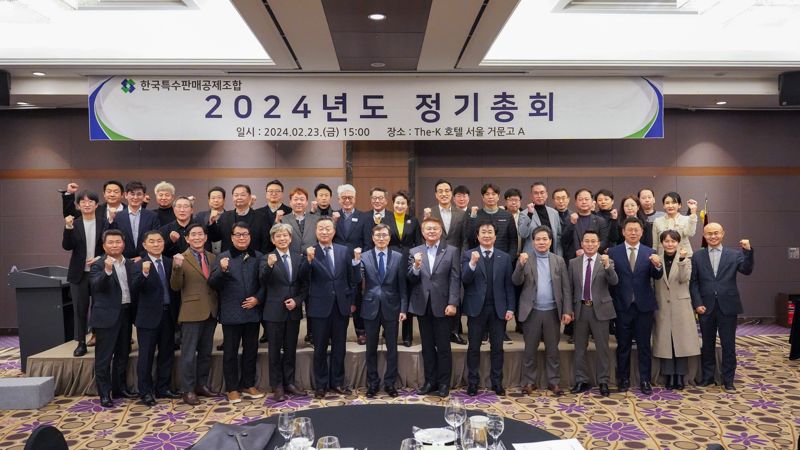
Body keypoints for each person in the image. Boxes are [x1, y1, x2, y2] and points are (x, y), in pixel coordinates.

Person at [303, 217, 362, 398]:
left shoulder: (344, 250)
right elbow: (304, 279)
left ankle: (337, 382)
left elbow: (353, 279)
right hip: (319, 307)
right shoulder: (310, 252)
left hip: (340, 306)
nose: (324, 231)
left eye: (328, 228)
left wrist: (351, 300)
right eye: (321, 228)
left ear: (334, 231)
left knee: (339, 347)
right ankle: (321, 385)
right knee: (320, 348)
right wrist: (308, 261)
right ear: (316, 231)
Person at [691, 222, 754, 392]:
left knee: (728, 344)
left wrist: (748, 251)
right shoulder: (697, 256)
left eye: (716, 233)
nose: (713, 236)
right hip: (705, 307)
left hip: (728, 306)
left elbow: (747, 270)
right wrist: (697, 303)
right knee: (707, 344)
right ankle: (707, 377)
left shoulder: (734, 254)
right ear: (704, 235)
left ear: (723, 234)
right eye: (709, 233)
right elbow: (694, 282)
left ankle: (728, 380)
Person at [208, 222, 266, 404]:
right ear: (232, 237)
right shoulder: (222, 257)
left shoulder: (258, 256)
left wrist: (257, 299)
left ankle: (248, 384)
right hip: (231, 313)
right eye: (238, 234)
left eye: (245, 234)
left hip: (252, 312)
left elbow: (265, 282)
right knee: (230, 352)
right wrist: (222, 270)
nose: (242, 238)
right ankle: (232, 388)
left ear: (250, 236)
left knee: (251, 350)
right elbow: (213, 283)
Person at [513, 226, 572, 396]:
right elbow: (516, 281)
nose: (541, 242)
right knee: (530, 349)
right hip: (532, 311)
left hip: (552, 311)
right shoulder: (525, 258)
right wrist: (520, 265)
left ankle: (554, 382)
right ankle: (529, 382)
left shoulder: (558, 261)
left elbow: (566, 288)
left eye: (545, 239)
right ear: (533, 242)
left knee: (553, 350)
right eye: (538, 239)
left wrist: (567, 310)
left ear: (550, 241)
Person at [608, 217, 663, 395]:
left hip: (643, 307)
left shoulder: (650, 252)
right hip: (622, 306)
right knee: (623, 345)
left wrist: (658, 265)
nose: (633, 233)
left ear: (642, 232)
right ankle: (623, 379)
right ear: (623, 232)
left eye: (636, 230)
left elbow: (657, 275)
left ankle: (645, 380)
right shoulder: (613, 252)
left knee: (644, 345)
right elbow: (610, 279)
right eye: (629, 230)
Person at [407, 217, 461, 397]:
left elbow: (455, 279)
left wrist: (453, 302)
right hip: (423, 305)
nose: (431, 231)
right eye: (428, 229)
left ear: (440, 231)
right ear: (423, 232)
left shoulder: (451, 251)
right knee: (427, 346)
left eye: (435, 229)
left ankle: (444, 383)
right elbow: (411, 279)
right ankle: (430, 382)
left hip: (444, 305)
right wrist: (416, 266)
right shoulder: (415, 251)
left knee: (443, 347)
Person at [462, 220, 515, 396]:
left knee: (497, 348)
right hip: (476, 309)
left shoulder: (504, 257)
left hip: (498, 309)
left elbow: (508, 285)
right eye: (483, 232)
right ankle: (473, 383)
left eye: (490, 232)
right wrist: (472, 264)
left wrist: (510, 308)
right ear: (477, 236)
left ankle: (497, 382)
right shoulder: (468, 255)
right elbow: (465, 280)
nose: (486, 235)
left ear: (495, 236)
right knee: (473, 347)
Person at [170, 223, 219, 405]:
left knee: (205, 353)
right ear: (187, 238)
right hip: (191, 312)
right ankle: (188, 390)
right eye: (193, 234)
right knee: (189, 354)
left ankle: (201, 385)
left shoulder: (213, 257)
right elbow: (175, 286)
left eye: (200, 234)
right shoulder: (181, 258)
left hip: (211, 311)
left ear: (205, 237)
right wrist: (176, 268)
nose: (197, 237)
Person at [131, 230, 180, 406]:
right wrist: (144, 274)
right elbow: (134, 288)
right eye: (151, 241)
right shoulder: (138, 264)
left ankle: (163, 388)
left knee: (167, 353)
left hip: (168, 314)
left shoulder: (169, 262)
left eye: (159, 241)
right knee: (146, 356)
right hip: (147, 317)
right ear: (144, 245)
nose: (156, 244)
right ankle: (145, 392)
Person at [260, 223, 307, 401]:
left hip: (293, 311)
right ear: (273, 240)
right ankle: (277, 386)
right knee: (274, 351)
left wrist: (297, 301)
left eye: (285, 235)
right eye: (278, 236)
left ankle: (290, 383)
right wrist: (269, 266)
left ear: (290, 238)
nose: (282, 238)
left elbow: (304, 285)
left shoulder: (298, 257)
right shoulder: (266, 258)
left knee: (290, 349)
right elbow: (262, 280)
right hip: (273, 312)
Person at [89, 229, 136, 407]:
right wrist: (107, 271)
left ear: (123, 244)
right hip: (106, 316)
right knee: (104, 357)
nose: (115, 245)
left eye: (118, 242)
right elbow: (96, 286)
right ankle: (104, 393)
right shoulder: (98, 264)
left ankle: (119, 388)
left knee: (123, 354)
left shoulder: (129, 263)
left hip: (126, 313)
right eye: (111, 242)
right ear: (104, 246)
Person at [568, 230, 618, 397]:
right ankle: (581, 380)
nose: (590, 244)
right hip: (581, 309)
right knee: (579, 348)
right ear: (582, 243)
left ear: (598, 244)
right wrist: (569, 309)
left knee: (602, 348)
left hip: (600, 310)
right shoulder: (573, 263)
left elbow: (614, 281)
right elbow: (569, 288)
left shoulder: (607, 261)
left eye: (593, 241)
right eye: (587, 241)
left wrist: (607, 266)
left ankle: (603, 381)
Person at [360, 224, 407, 397]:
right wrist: (355, 263)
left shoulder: (398, 256)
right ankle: (372, 384)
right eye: (378, 235)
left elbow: (402, 285)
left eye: (384, 235)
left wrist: (403, 308)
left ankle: (390, 383)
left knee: (392, 348)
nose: (381, 238)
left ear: (389, 237)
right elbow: (357, 279)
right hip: (370, 307)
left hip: (392, 307)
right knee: (371, 348)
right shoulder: (363, 256)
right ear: (373, 238)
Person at [653, 230, 700, 390]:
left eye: (673, 241)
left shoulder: (686, 260)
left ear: (678, 243)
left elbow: (683, 278)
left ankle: (679, 376)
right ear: (661, 243)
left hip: (681, 306)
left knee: (680, 342)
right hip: (662, 305)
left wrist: (681, 260)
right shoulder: (656, 259)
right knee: (666, 342)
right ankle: (669, 375)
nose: (670, 244)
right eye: (666, 241)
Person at [63, 190, 104, 357]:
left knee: (100, 307)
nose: (87, 204)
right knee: (80, 309)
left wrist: (99, 259)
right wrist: (68, 228)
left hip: (99, 271)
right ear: (78, 206)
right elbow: (67, 246)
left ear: (96, 205)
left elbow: (112, 245)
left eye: (90, 201)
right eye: (83, 202)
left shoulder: (104, 223)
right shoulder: (74, 223)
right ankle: (81, 342)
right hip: (79, 273)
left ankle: (99, 337)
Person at [426, 179, 467, 345]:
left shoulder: (461, 214)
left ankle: (454, 331)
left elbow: (465, 239)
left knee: (455, 293)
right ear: (436, 195)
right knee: (438, 294)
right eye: (440, 191)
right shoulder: (431, 213)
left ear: (451, 193)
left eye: (447, 191)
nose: (444, 194)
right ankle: (439, 332)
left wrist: (462, 258)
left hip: (456, 258)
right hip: (436, 260)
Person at [333, 184, 371, 345]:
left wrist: (361, 260)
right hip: (338, 263)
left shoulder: (364, 217)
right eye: (344, 198)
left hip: (357, 263)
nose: (347, 200)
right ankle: (335, 333)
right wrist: (333, 222)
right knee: (338, 295)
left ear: (355, 199)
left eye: (350, 197)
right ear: (339, 199)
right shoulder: (333, 216)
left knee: (358, 296)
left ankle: (361, 331)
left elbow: (368, 242)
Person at [386, 190, 421, 347]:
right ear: (393, 204)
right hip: (390, 260)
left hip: (408, 261)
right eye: (397, 203)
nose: (400, 206)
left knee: (407, 295)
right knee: (390, 295)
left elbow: (418, 243)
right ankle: (389, 333)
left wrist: (416, 260)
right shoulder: (385, 219)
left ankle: (407, 336)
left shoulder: (413, 221)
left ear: (407, 205)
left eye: (403, 203)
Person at [208, 184, 268, 254]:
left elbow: (265, 242)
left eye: (242, 195)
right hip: (229, 258)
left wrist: (262, 259)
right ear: (232, 198)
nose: (239, 197)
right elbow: (215, 238)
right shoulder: (225, 216)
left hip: (254, 258)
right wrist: (212, 223)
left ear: (249, 197)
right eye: (236, 195)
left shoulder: (260, 217)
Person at [464, 183, 518, 260]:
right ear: (482, 197)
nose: (490, 197)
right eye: (487, 194)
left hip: (503, 259)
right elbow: (470, 238)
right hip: (480, 259)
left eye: (493, 194)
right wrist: (472, 218)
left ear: (498, 197)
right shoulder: (476, 215)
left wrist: (509, 259)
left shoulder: (507, 216)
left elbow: (513, 241)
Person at [110, 181, 161, 260]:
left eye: (139, 194)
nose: (135, 197)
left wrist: (142, 256)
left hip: (146, 259)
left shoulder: (152, 216)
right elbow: (114, 239)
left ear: (144, 196)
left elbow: (156, 239)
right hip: (123, 260)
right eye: (132, 194)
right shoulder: (118, 217)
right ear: (126, 195)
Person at [562, 189, 610, 261]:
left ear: (592, 202)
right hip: (574, 260)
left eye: (586, 199)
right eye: (580, 199)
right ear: (576, 203)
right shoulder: (569, 219)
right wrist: (572, 224)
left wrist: (588, 250)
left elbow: (604, 242)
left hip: (594, 260)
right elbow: (564, 241)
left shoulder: (600, 221)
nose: (584, 202)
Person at [652, 192, 698, 257]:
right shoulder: (657, 221)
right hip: (663, 257)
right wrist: (654, 255)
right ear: (664, 206)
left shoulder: (686, 219)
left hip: (683, 256)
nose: (670, 206)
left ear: (679, 205)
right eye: (667, 203)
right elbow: (655, 243)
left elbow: (690, 233)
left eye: (673, 203)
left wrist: (693, 213)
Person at [524, 182, 562, 257]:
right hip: (531, 256)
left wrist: (559, 256)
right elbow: (523, 234)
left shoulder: (554, 213)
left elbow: (558, 237)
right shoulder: (524, 213)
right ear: (531, 196)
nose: (539, 196)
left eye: (542, 193)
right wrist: (529, 214)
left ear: (546, 195)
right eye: (536, 193)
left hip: (552, 256)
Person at [282, 187, 320, 255]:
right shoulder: (283, 219)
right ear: (290, 202)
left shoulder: (316, 219)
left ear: (306, 202)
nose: (299, 202)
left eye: (302, 199)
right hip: (291, 257)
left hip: (312, 256)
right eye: (295, 199)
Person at [194, 186, 226, 254]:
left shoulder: (230, 216)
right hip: (205, 254)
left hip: (225, 254)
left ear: (224, 200)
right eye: (213, 198)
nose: (216, 200)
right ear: (209, 200)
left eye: (219, 197)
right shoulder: (200, 216)